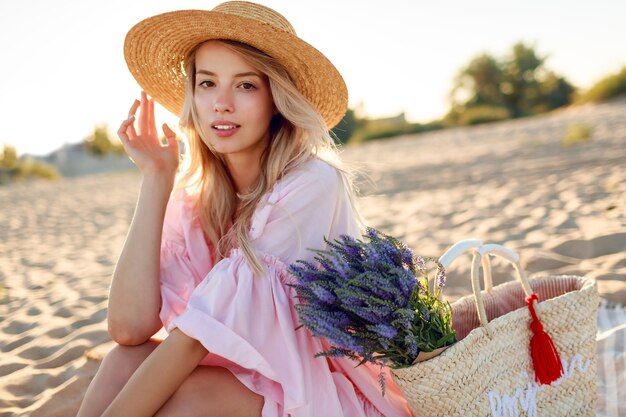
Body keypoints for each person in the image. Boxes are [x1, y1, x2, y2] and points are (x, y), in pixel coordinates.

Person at [77, 2, 413, 416]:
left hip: (313, 390)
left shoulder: (312, 183)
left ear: (276, 97)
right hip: (234, 379)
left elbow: (196, 339)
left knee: (187, 396)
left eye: (246, 85)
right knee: (122, 362)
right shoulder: (193, 198)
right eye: (207, 83)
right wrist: (156, 178)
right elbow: (128, 328)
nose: (221, 103)